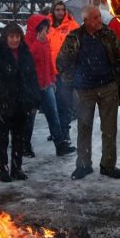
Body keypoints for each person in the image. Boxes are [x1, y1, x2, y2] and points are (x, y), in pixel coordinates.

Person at [57, 5, 120, 180]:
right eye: (95, 18)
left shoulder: (108, 35)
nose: (99, 20)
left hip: (108, 87)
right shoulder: (75, 37)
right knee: (84, 127)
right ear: (86, 20)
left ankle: (108, 165)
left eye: (99, 17)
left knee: (109, 128)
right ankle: (83, 165)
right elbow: (61, 61)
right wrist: (70, 78)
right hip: (84, 90)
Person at [0, 22, 41, 182]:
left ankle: (16, 168)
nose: (15, 40)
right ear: (6, 37)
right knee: (2, 139)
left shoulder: (25, 53)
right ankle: (3, 169)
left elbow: (32, 79)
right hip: (3, 104)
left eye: (17, 36)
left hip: (21, 104)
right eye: (11, 36)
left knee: (19, 138)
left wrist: (34, 102)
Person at [24, 14, 76, 157]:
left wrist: (52, 80)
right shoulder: (27, 43)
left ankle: (60, 145)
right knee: (30, 118)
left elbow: (49, 63)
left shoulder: (45, 42)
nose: (46, 33)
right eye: (43, 30)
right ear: (35, 29)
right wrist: (36, 43)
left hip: (47, 85)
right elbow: (28, 64)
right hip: (33, 87)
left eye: (46, 30)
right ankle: (25, 145)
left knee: (53, 115)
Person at [47, 0, 80, 146]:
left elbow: (79, 46)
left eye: (62, 10)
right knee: (51, 105)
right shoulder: (46, 26)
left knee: (65, 103)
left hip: (65, 72)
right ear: (53, 11)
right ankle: (55, 131)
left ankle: (64, 133)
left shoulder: (72, 26)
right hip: (50, 71)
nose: (60, 12)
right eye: (57, 10)